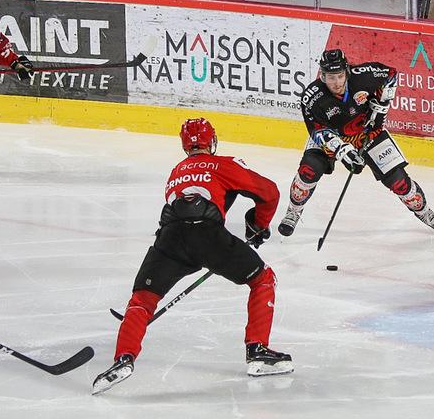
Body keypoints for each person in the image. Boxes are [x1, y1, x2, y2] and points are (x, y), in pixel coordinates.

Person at [93, 118, 293, 395]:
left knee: (142, 300)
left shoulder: (177, 171)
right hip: (208, 237)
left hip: (169, 239)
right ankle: (257, 351)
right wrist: (258, 226)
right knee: (263, 279)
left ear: (184, 145)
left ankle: (123, 359)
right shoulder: (223, 163)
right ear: (212, 141)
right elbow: (269, 192)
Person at [277, 48, 434, 237]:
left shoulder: (364, 75)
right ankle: (293, 211)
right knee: (308, 171)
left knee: (399, 181)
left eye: (340, 76)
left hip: (367, 132)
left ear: (347, 72)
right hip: (332, 138)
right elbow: (317, 131)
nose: (336, 82)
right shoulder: (312, 96)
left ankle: (424, 212)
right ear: (323, 76)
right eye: (331, 77)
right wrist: (342, 150)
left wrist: (381, 106)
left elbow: (391, 74)